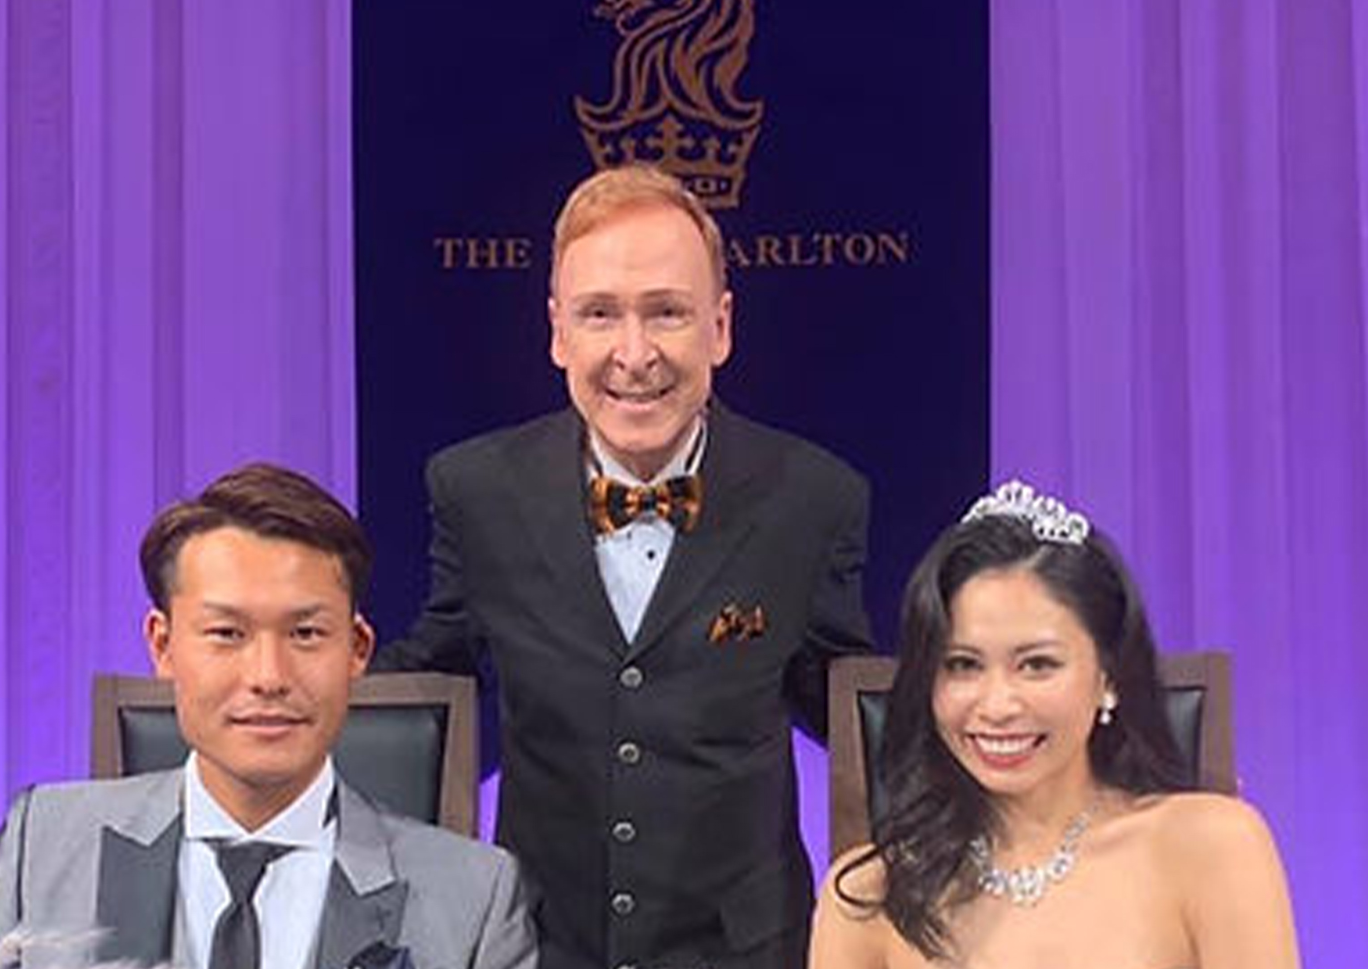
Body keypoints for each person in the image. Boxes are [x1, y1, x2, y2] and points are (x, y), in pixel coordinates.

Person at [374, 164, 873, 969]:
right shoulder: (477, 491)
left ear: (720, 326)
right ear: (557, 331)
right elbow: (427, 678)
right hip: (539, 948)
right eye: (600, 313)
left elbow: (853, 710)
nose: (634, 354)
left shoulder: (812, 497)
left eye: (667, 312)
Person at [0, 462, 538, 969]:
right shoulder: (43, 851)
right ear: (163, 645)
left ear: (358, 649)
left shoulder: (472, 899)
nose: (268, 676)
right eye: (227, 633)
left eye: (305, 633)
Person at [809, 480, 1299, 969]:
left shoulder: (1211, 846)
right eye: (962, 665)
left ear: (1108, 676)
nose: (997, 705)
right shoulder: (868, 897)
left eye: (1037, 665)